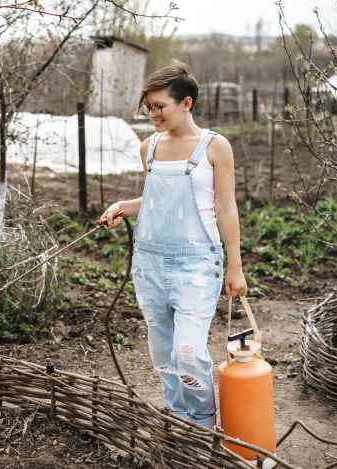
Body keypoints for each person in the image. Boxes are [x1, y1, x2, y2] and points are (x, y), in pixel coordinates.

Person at [98, 62, 247, 429]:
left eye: (159, 106)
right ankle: (177, 420)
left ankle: (202, 425)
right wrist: (121, 207)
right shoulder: (148, 148)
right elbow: (154, 200)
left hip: (196, 266)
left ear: (186, 104)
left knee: (189, 352)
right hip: (150, 265)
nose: (152, 114)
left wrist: (235, 266)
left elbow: (226, 208)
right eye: (148, 107)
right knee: (163, 354)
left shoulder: (215, 147)